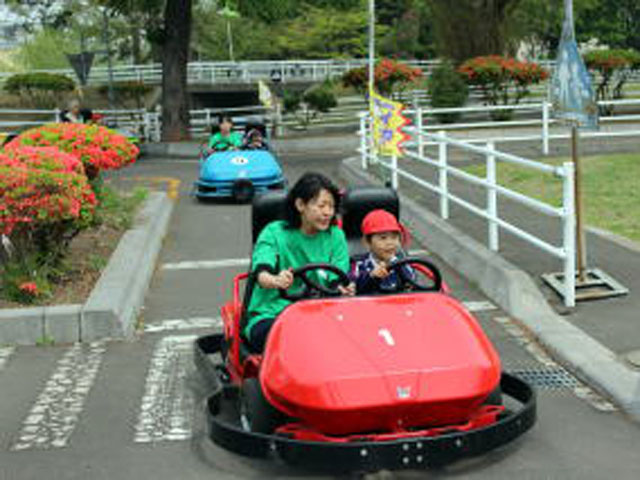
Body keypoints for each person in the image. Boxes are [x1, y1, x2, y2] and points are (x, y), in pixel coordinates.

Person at [244, 172, 355, 352]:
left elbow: (338, 276)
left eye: (331, 206)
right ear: (300, 204)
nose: (328, 212)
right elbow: (262, 271)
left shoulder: (335, 236)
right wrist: (276, 280)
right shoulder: (274, 233)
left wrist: (343, 288)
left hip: (320, 311)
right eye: (321, 206)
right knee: (293, 337)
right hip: (273, 313)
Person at [349, 209, 415, 295]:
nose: (390, 243)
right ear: (367, 242)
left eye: (394, 238)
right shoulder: (358, 264)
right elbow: (352, 285)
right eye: (383, 238)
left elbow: (412, 281)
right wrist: (371, 276)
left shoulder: (402, 262)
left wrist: (396, 265)